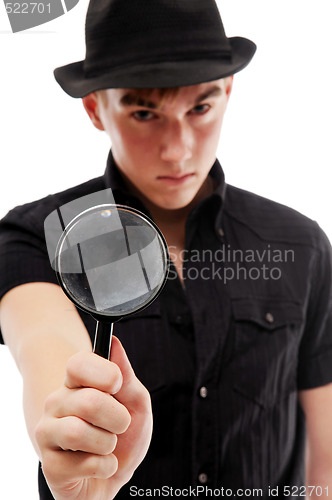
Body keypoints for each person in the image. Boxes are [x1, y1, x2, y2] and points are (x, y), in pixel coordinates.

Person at [1, 0, 332, 499]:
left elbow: (325, 462)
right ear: (95, 108)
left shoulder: (300, 243)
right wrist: (76, 451)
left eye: (200, 107)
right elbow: (44, 345)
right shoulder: (42, 234)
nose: (178, 149)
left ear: (228, 92)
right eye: (144, 112)